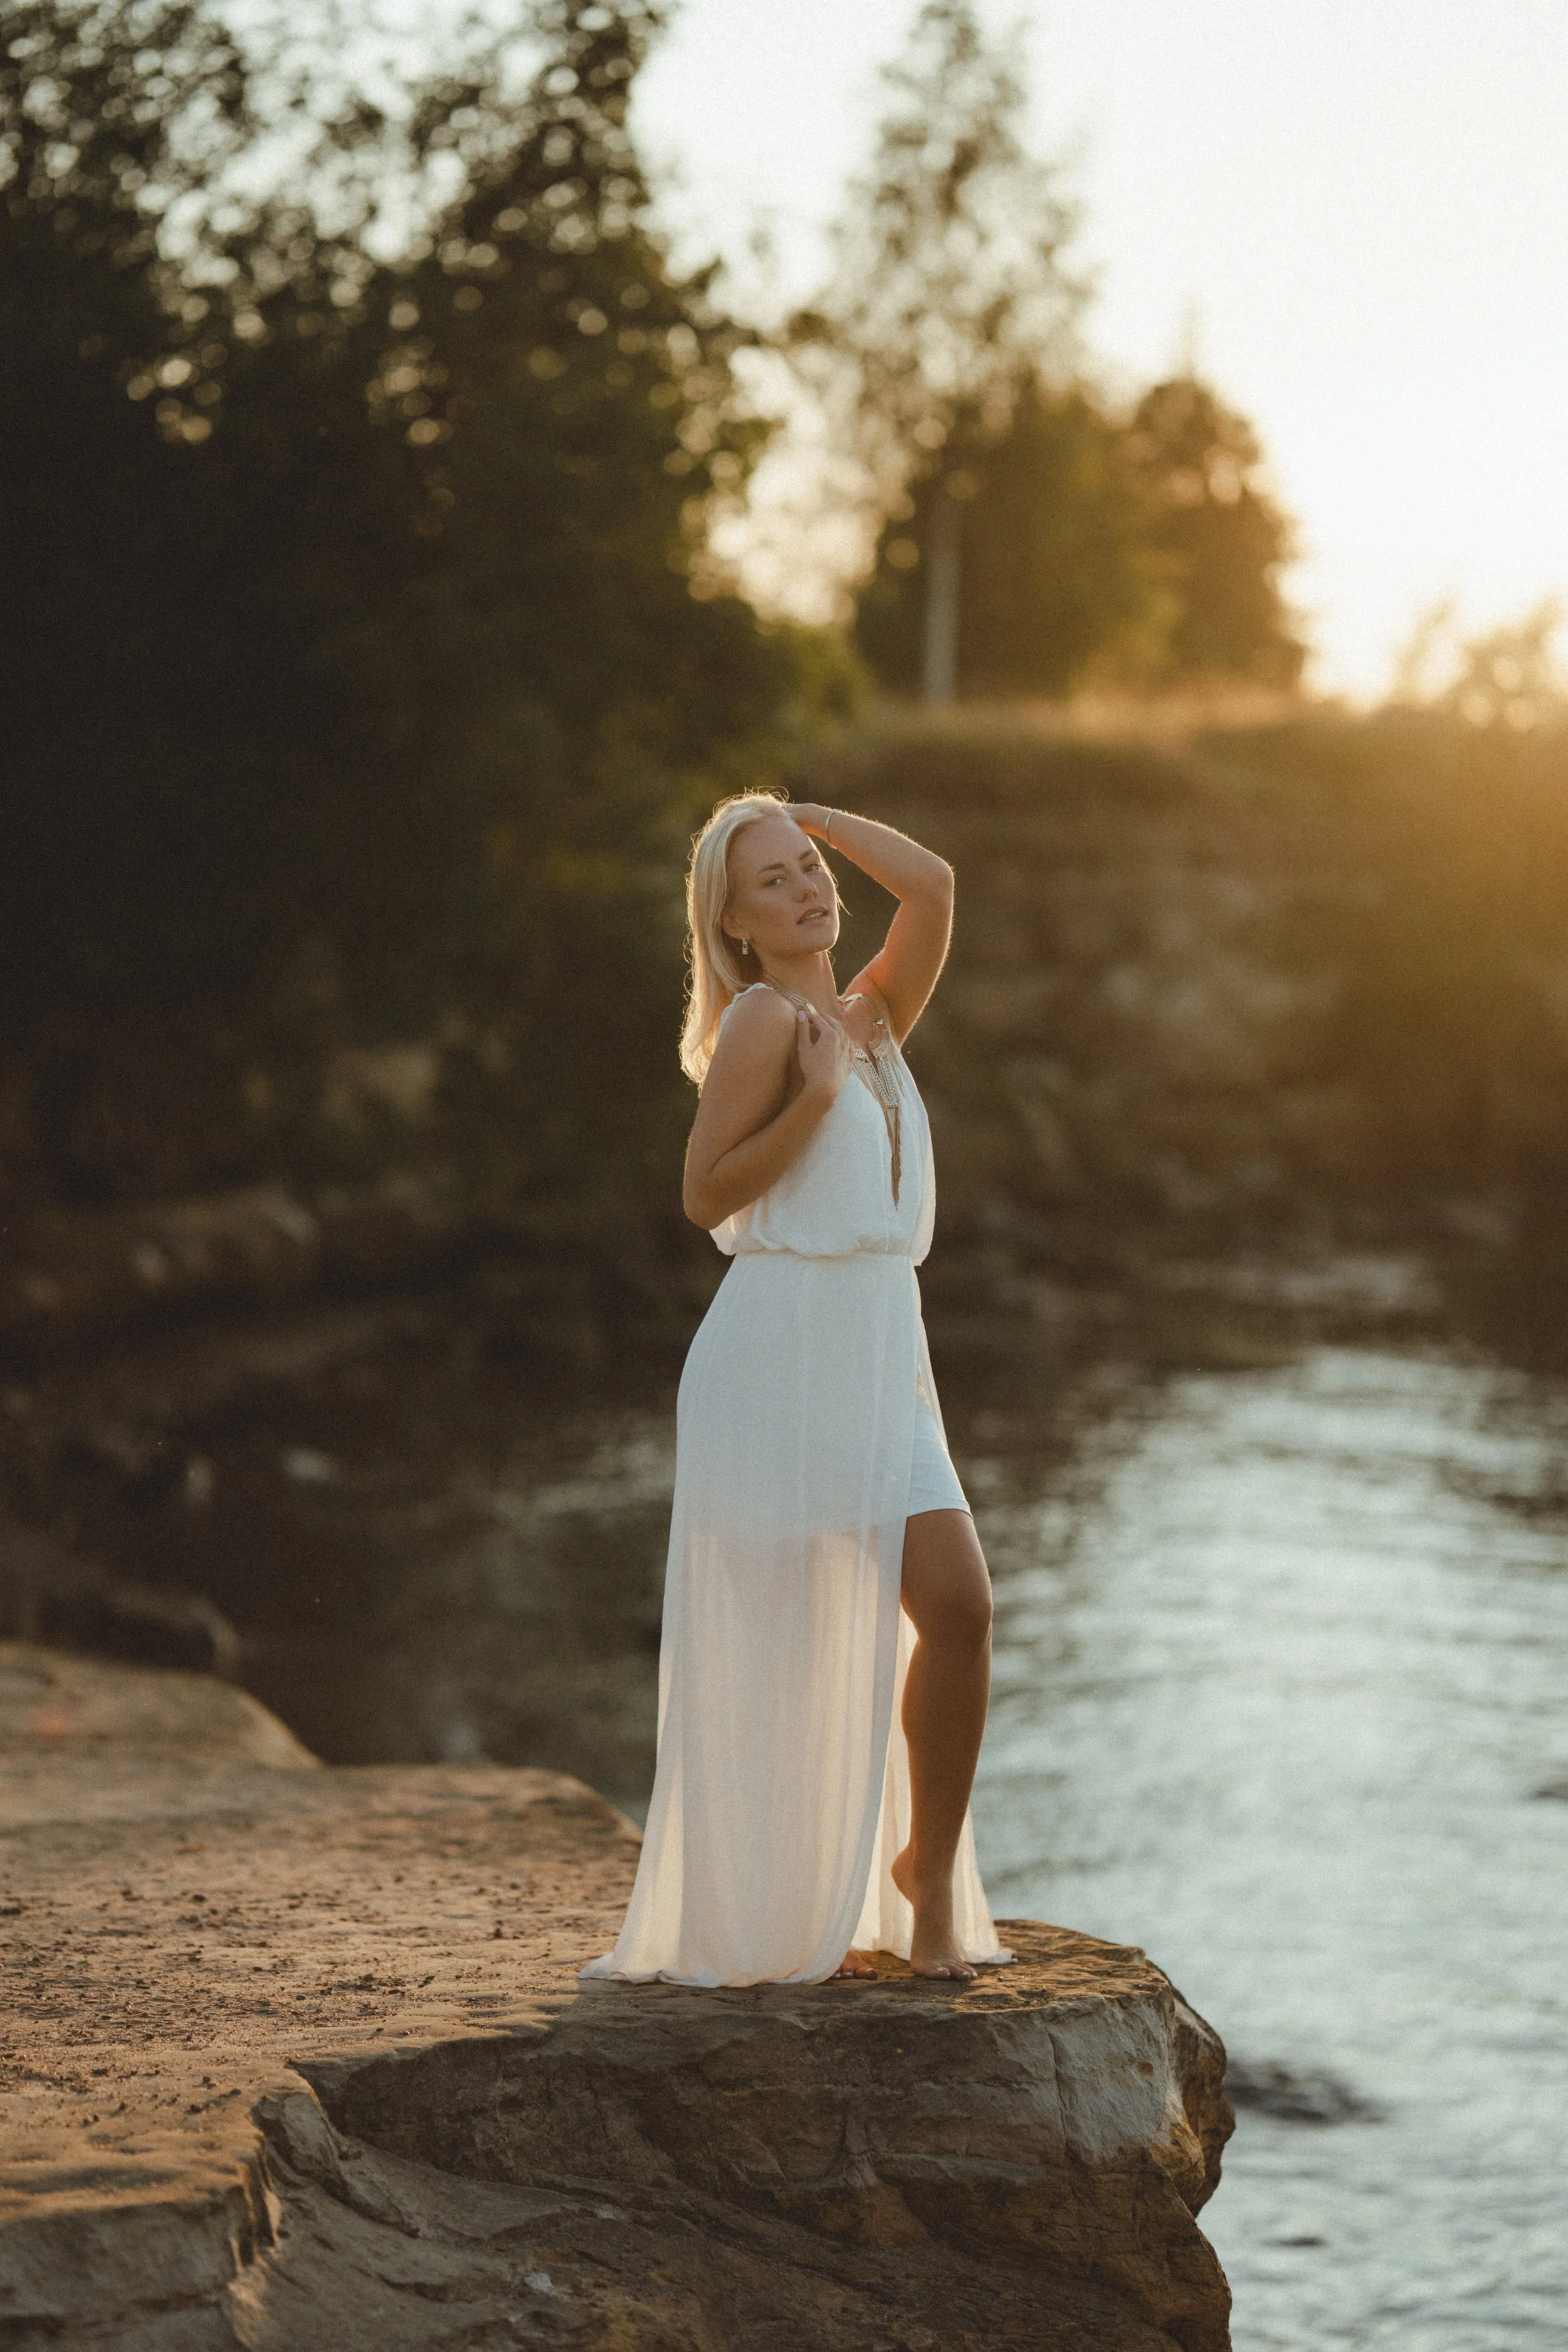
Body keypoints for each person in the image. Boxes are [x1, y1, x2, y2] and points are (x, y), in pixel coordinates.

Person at [583, 792, 1011, 1987]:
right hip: (781, 1351)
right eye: (769, 880)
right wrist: (814, 1101)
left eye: (809, 869)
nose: (807, 888)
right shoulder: (770, 1025)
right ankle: (777, 1910)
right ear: (729, 921)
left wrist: (805, 812)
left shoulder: (873, 1015)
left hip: (882, 1343)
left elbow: (930, 882)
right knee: (782, 1654)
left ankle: (924, 1873)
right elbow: (704, 1193)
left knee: (960, 1610)